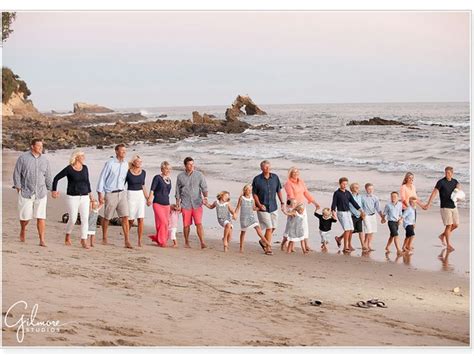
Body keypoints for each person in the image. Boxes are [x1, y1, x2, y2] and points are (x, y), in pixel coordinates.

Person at [13, 138, 52, 247]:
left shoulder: (45, 160)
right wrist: (18, 188)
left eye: (42, 146)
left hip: (41, 192)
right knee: (25, 217)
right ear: (32, 146)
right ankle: (23, 229)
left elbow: (48, 176)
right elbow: (17, 173)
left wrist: (52, 189)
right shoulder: (23, 158)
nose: (41, 148)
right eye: (39, 146)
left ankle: (42, 240)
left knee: (41, 216)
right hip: (26, 191)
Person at [52, 149, 94, 249]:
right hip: (72, 197)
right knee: (73, 219)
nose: (84, 158)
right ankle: (67, 235)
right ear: (77, 157)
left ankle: (83, 240)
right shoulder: (69, 169)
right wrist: (54, 190)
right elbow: (56, 178)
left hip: (84, 196)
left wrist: (90, 194)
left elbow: (87, 181)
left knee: (85, 219)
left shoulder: (85, 168)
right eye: (82, 156)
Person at [96, 143, 132, 248]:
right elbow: (102, 178)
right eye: (122, 151)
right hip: (110, 193)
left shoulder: (126, 164)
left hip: (122, 193)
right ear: (116, 151)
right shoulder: (110, 163)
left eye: (125, 151)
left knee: (125, 216)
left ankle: (127, 241)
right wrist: (100, 193)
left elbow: (127, 178)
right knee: (107, 217)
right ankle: (104, 238)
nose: (124, 153)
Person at [284, 167, 320, 252]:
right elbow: (291, 196)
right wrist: (294, 208)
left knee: (304, 225)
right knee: (292, 226)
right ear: (290, 174)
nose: (296, 173)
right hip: (292, 207)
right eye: (294, 172)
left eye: (297, 172)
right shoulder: (288, 183)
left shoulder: (301, 182)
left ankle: (306, 245)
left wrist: (315, 203)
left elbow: (306, 193)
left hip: (301, 207)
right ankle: (287, 244)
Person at [175, 157, 209, 249]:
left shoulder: (199, 175)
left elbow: (204, 188)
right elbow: (177, 190)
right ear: (185, 165)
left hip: (197, 203)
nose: (192, 166)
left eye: (193, 164)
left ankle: (202, 242)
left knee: (199, 223)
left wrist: (205, 197)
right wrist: (177, 203)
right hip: (185, 204)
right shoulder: (180, 176)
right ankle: (186, 242)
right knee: (186, 225)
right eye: (190, 164)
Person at [425, 166, 460, 251]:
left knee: (456, 225)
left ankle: (442, 235)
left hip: (453, 206)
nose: (447, 174)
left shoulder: (455, 181)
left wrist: (458, 192)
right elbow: (434, 193)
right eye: (446, 173)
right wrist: (428, 204)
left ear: (452, 173)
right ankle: (448, 245)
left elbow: (458, 190)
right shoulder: (441, 182)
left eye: (448, 173)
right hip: (445, 207)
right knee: (449, 225)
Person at [252, 160, 285, 250]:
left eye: (268, 167)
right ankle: (268, 248)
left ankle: (263, 241)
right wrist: (259, 205)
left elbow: (278, 191)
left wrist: (282, 202)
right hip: (263, 208)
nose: (267, 168)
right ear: (261, 168)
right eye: (265, 167)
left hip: (273, 206)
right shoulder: (257, 179)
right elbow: (254, 194)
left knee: (273, 227)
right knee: (269, 228)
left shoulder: (275, 177)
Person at [234, 184, 271, 254]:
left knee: (257, 227)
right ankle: (241, 247)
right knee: (243, 232)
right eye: (248, 190)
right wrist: (235, 214)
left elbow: (254, 208)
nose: (249, 191)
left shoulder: (252, 199)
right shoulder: (241, 198)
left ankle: (266, 242)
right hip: (244, 218)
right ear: (245, 190)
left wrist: (260, 208)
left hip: (251, 217)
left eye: (250, 190)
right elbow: (238, 207)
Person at [331, 177, 365, 253]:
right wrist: (333, 212)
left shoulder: (348, 192)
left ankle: (344, 243)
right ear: (340, 184)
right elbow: (334, 203)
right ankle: (345, 247)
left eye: (346, 184)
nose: (345, 185)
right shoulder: (337, 193)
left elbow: (354, 203)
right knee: (347, 229)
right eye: (343, 184)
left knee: (351, 229)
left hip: (348, 213)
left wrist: (361, 210)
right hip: (341, 213)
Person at [148, 161, 172, 247]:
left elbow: (167, 193)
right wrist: (150, 198)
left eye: (169, 169)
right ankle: (162, 241)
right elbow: (152, 189)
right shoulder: (157, 178)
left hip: (166, 204)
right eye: (166, 169)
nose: (168, 170)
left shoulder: (169, 180)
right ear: (162, 169)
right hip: (157, 203)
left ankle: (159, 238)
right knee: (163, 222)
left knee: (163, 223)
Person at [125, 155, 148, 247]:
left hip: (140, 196)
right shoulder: (128, 172)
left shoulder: (143, 173)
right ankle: (126, 237)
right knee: (130, 219)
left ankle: (139, 240)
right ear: (133, 162)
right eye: (138, 162)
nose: (139, 163)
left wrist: (147, 198)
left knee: (141, 218)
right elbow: (122, 183)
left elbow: (143, 185)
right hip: (130, 195)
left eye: (140, 162)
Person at [361, 183, 384, 252]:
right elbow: (360, 207)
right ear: (366, 189)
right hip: (366, 216)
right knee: (368, 229)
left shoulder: (375, 198)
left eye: (372, 189)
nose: (370, 190)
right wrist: (362, 214)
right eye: (369, 189)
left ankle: (369, 245)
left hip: (373, 215)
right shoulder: (362, 197)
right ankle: (364, 244)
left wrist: (382, 217)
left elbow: (378, 208)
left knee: (372, 231)